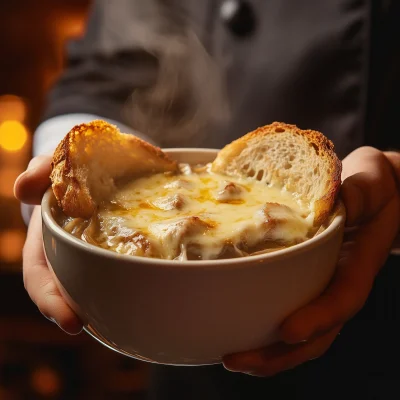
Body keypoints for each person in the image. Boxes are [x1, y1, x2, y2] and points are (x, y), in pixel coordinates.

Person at [14, 1, 400, 399]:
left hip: (385, 339)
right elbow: (104, 71)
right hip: (175, 351)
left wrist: (395, 181)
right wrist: (73, 175)